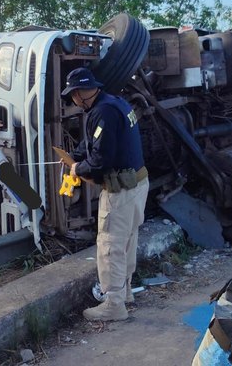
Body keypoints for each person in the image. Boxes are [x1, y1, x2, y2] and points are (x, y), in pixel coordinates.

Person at [61, 67, 149, 322]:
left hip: (119, 191)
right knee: (127, 241)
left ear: (78, 94)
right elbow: (94, 143)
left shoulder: (102, 112)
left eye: (72, 95)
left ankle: (113, 304)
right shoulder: (114, 103)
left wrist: (78, 167)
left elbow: (100, 160)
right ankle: (126, 291)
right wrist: (76, 156)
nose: (73, 101)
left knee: (110, 246)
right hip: (137, 184)